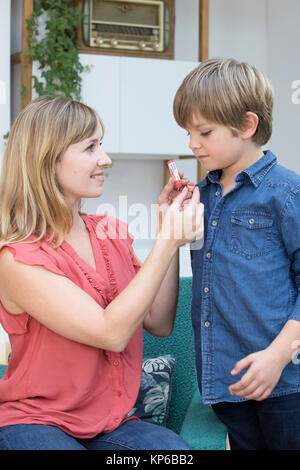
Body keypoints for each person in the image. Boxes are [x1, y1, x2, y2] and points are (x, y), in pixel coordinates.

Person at [0, 96, 203, 450]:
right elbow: (112, 333)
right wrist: (168, 241)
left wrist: (165, 233)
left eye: (102, 145)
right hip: (36, 422)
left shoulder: (110, 231)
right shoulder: (18, 257)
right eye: (90, 147)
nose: (104, 159)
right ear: (48, 161)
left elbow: (159, 321)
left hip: (112, 423)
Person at [173, 57, 300, 450]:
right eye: (188, 132)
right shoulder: (195, 199)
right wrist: (170, 226)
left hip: (286, 386)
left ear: (247, 125)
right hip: (226, 386)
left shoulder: (287, 194)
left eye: (204, 132)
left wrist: (278, 356)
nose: (192, 144)